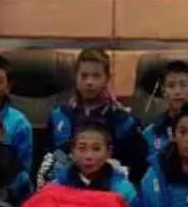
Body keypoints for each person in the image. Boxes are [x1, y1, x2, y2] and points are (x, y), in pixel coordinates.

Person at [49, 49, 147, 183]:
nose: (89, 82)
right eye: (84, 76)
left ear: (107, 78)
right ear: (75, 77)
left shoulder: (125, 121)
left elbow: (137, 170)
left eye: (96, 76)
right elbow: (50, 157)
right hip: (65, 187)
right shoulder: (59, 116)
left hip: (110, 189)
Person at [55, 121, 139, 207]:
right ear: (72, 151)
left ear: (109, 152)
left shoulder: (124, 191)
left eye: (96, 149)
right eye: (81, 148)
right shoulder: (57, 188)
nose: (88, 156)